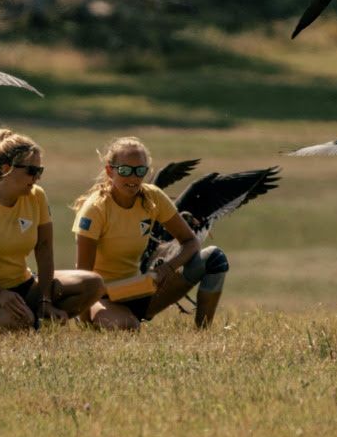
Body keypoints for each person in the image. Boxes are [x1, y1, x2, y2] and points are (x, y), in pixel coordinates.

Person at [0, 129, 104, 331]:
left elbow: (44, 249)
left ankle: (36, 321)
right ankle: (13, 323)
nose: (37, 178)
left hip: (22, 284)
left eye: (40, 171)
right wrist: (0, 294)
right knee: (19, 322)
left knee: (94, 284)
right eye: (31, 171)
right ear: (6, 168)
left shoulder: (36, 196)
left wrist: (46, 300)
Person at [72, 136, 231, 329]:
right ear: (109, 171)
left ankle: (203, 332)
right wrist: (85, 321)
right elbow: (83, 276)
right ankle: (121, 319)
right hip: (104, 295)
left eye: (140, 171)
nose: (133, 178)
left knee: (215, 258)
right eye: (125, 171)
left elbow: (191, 241)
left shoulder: (153, 196)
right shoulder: (95, 209)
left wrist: (168, 268)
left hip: (141, 289)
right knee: (127, 327)